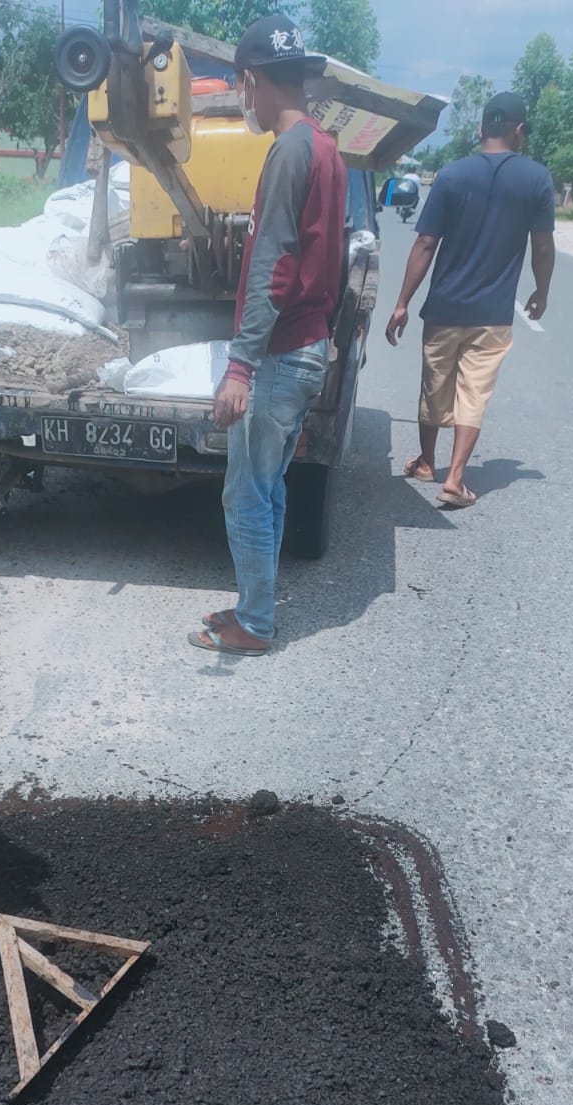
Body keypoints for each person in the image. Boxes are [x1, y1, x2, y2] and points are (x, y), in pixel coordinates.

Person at [189, 14, 346, 656]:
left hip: (280, 353)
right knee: (269, 485)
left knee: (243, 492)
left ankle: (255, 623)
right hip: (306, 347)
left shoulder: (288, 151)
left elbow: (274, 266)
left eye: (241, 88)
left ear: (250, 81)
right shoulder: (326, 147)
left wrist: (240, 367)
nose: (244, 100)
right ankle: (258, 604)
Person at [385, 91, 555, 509]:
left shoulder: (451, 175)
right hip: (492, 314)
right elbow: (543, 246)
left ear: (481, 129)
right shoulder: (536, 179)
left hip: (443, 307)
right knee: (472, 393)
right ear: (519, 131)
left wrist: (402, 302)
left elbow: (426, 243)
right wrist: (542, 290)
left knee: (434, 385)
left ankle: (427, 462)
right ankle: (456, 480)